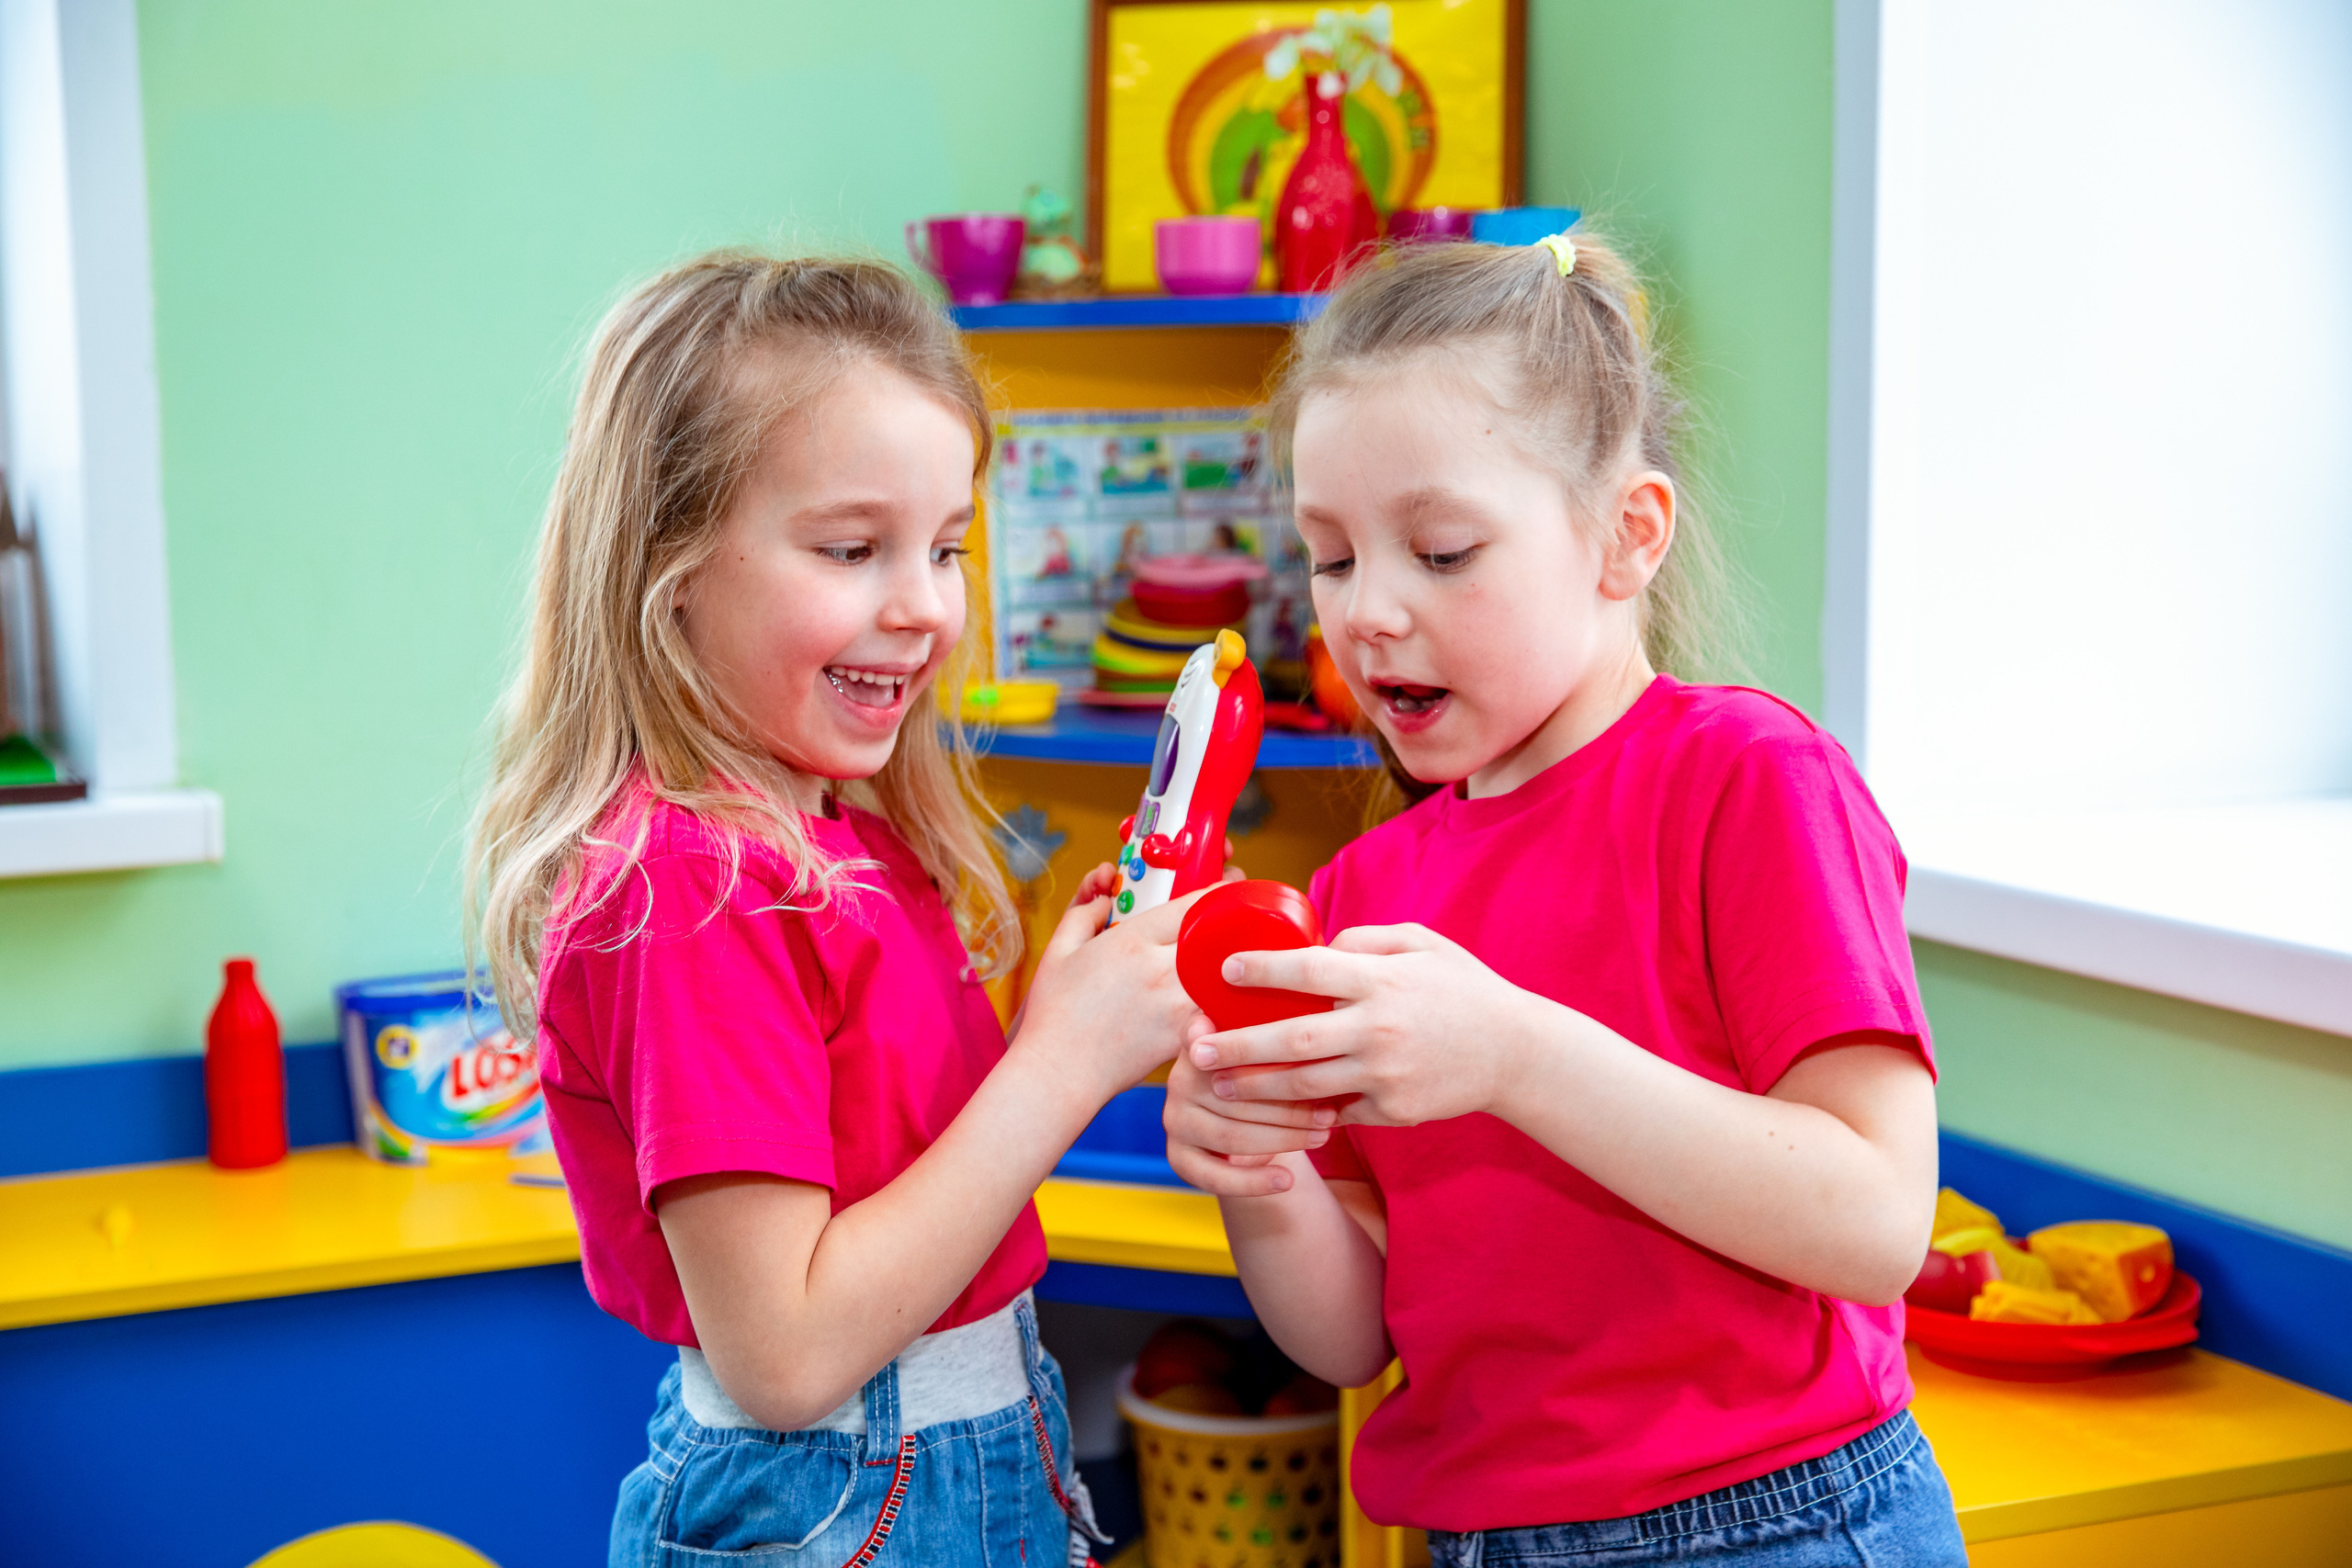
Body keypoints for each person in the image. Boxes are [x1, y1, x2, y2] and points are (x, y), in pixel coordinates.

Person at [1163, 231, 1970, 1566]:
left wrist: (1516, 1054)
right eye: (1334, 556)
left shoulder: (1748, 782)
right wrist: (1265, 1179)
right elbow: (1354, 1333)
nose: (1368, 614)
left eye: (1439, 549)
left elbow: (1876, 1222)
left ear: (1624, 537)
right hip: (1484, 1538)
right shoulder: (1366, 893)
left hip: (1773, 1523)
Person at [469, 253, 1193, 1568]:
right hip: (842, 1489)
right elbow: (789, 1354)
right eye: (854, 549)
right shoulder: (691, 887)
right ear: (669, 564)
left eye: (948, 547)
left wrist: (1059, 1015)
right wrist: (1063, 1063)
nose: (920, 603)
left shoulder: (838, 839)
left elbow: (896, 1167)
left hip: (959, 1457)